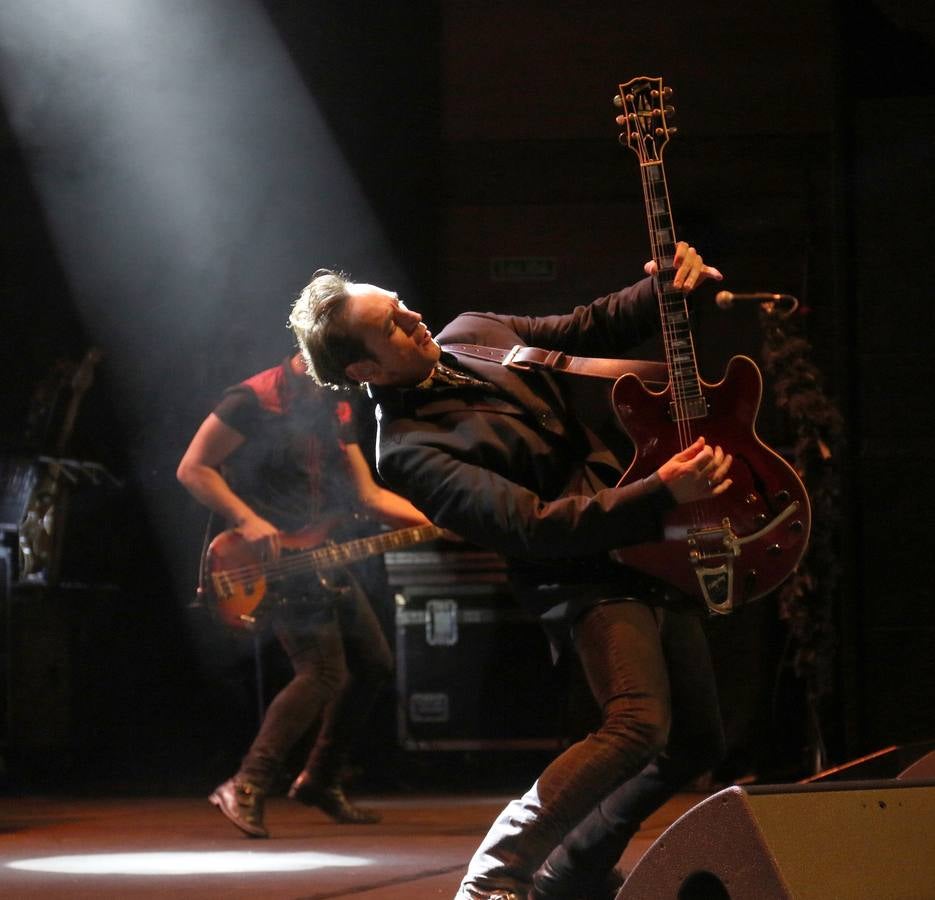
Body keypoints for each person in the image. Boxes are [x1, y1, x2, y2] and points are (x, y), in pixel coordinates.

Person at [288, 244, 732, 900]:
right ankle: (492, 874)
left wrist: (667, 289)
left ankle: (571, 874)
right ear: (362, 367)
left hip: (645, 542)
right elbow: (531, 525)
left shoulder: (473, 334)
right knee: (638, 722)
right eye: (391, 327)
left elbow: (589, 326)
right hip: (576, 570)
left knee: (695, 742)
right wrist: (661, 494)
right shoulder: (408, 451)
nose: (414, 321)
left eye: (400, 306)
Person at [177, 352, 430, 838]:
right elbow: (193, 468)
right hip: (269, 561)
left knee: (373, 664)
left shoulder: (335, 405)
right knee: (323, 672)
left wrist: (440, 520)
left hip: (319, 553)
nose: (360, 380)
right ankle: (246, 784)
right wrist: (246, 518)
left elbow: (369, 496)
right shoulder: (253, 398)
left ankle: (320, 778)